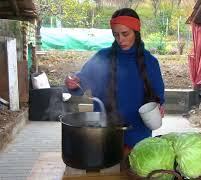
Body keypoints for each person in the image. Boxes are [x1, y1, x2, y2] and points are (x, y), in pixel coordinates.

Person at [65, 8, 165, 154]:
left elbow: (158, 97)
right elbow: (81, 83)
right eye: (116, 34)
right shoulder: (102, 57)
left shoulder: (150, 62)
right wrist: (72, 82)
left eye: (125, 34)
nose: (120, 40)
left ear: (136, 32)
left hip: (139, 136)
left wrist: (160, 107)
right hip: (104, 134)